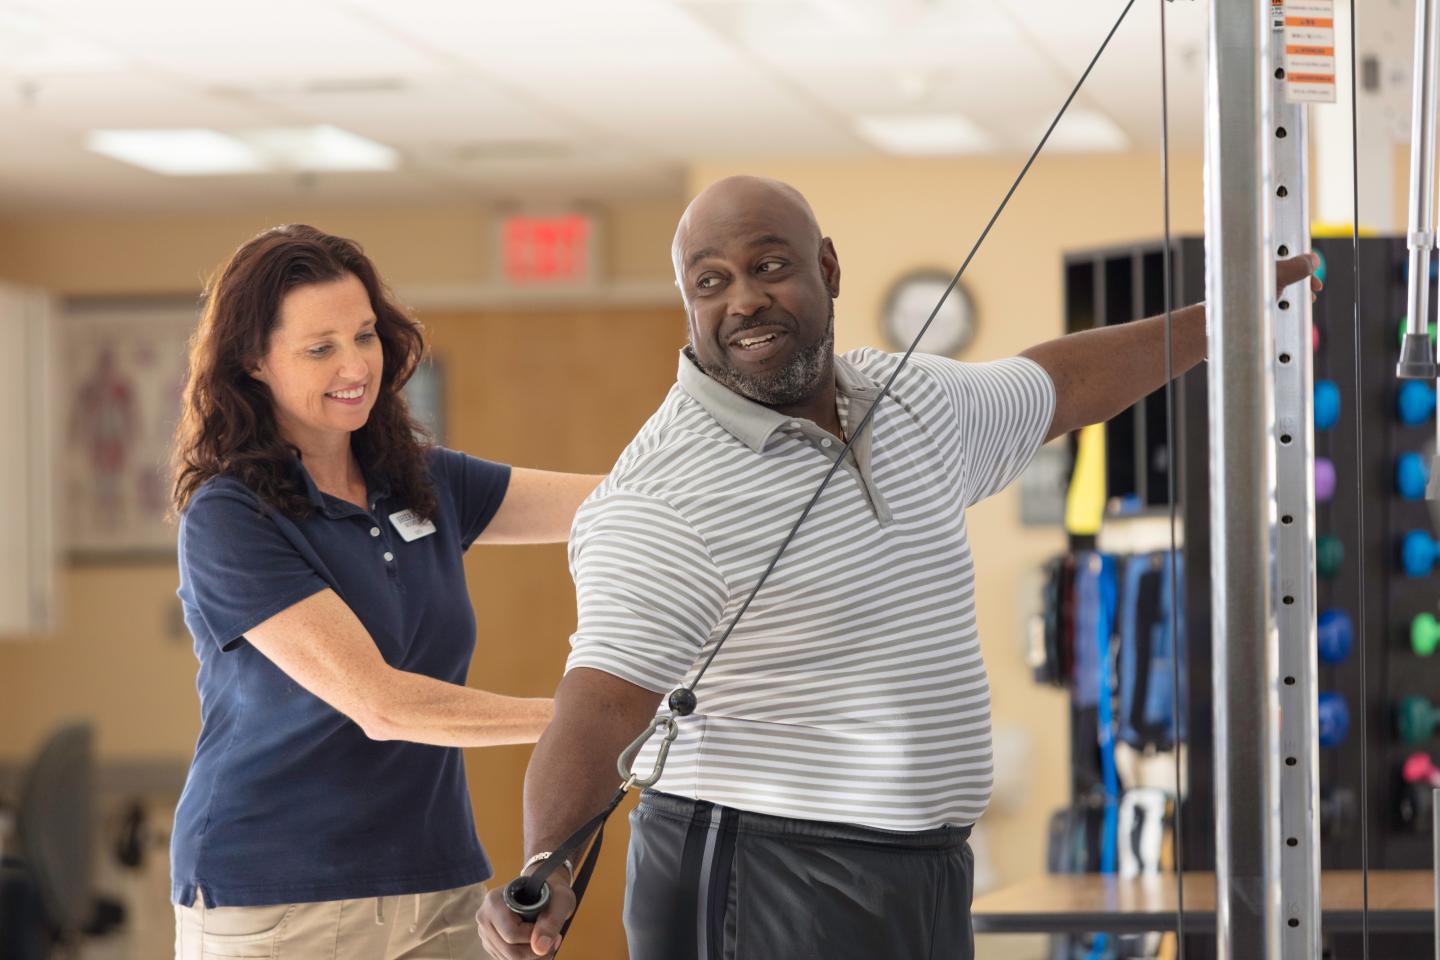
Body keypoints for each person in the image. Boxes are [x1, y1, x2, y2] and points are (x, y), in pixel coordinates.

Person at [475, 176, 1322, 959]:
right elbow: (599, 705)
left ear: (829, 268)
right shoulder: (663, 495)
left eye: (769, 265)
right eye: (710, 282)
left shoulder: (907, 399)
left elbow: (1060, 384)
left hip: (924, 869)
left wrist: (1218, 324)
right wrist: (549, 859)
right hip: (760, 876)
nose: (744, 300)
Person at [169, 224, 602, 960]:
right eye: (320, 347)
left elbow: (619, 505)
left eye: (365, 335)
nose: (354, 364)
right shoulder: (231, 516)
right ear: (253, 362)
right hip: (278, 896)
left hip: (435, 883)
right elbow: (382, 704)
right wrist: (591, 724)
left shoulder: (421, 481)